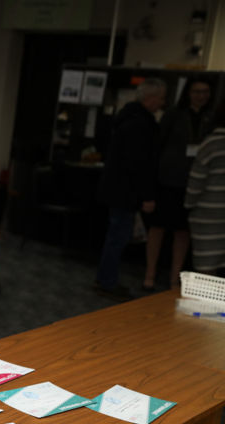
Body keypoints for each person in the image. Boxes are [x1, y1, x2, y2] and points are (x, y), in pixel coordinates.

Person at [95, 77, 166, 301]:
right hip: (124, 191)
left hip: (119, 188)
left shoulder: (129, 117)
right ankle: (106, 281)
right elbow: (139, 165)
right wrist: (146, 195)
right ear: (150, 98)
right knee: (118, 236)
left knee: (116, 235)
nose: (162, 103)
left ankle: (106, 279)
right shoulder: (139, 124)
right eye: (161, 98)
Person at [143, 79, 213, 290]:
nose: (200, 96)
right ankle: (150, 274)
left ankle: (175, 278)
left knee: (183, 231)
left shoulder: (211, 119)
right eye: (196, 91)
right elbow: (158, 147)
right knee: (158, 228)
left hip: (193, 183)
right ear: (188, 93)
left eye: (205, 92)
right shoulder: (174, 115)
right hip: (168, 180)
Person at [185, 105, 225, 276]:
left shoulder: (211, 144)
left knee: (206, 266)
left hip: (207, 211)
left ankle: (206, 301)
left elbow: (197, 179)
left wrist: (189, 204)